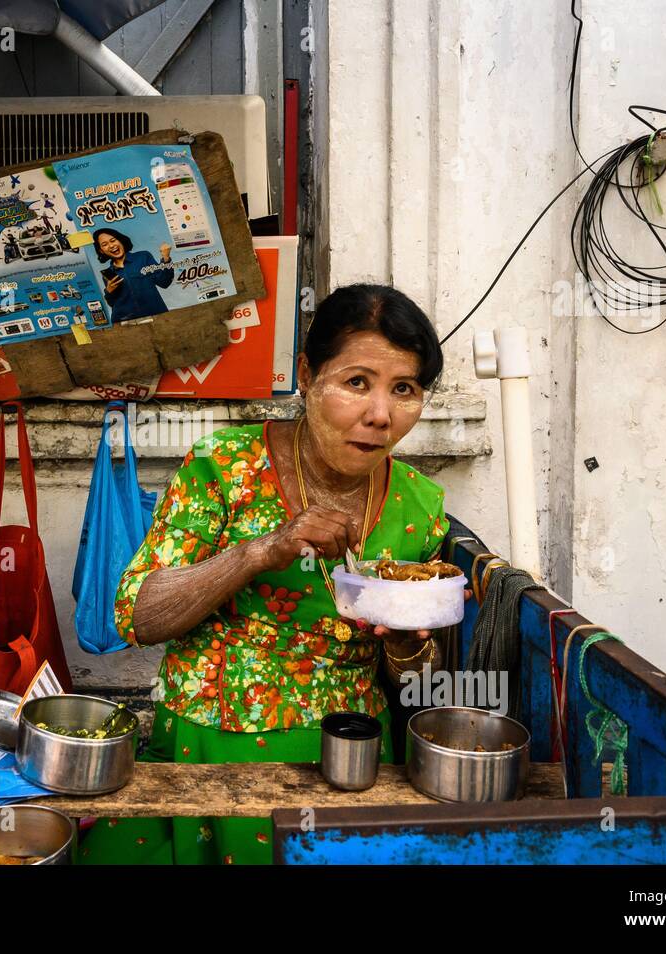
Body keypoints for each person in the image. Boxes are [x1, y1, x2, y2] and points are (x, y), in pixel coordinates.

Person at [80, 284, 467, 865]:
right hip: (211, 749)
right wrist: (262, 550)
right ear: (308, 376)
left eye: (404, 390)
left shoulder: (419, 507)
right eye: (356, 382)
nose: (381, 415)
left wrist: (410, 648)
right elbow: (137, 614)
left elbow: (420, 678)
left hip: (351, 760)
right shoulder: (223, 467)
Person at [93, 227, 173, 322]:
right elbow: (112, 303)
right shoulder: (108, 274)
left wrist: (166, 258)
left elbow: (164, 282)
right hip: (126, 323)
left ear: (121, 240)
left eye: (113, 240)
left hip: (156, 317)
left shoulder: (143, 257)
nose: (111, 245)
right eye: (104, 244)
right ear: (101, 250)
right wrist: (109, 291)